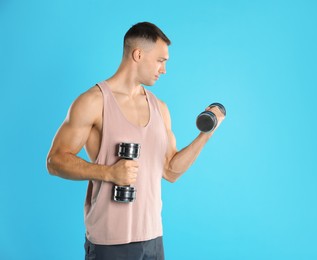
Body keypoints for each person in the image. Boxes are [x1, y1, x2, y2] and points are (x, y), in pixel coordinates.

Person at [46, 22, 225, 260]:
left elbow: (171, 171)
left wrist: (206, 134)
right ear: (138, 54)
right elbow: (55, 161)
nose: (164, 70)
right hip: (110, 243)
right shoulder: (93, 102)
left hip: (152, 239)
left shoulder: (160, 108)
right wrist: (109, 173)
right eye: (161, 61)